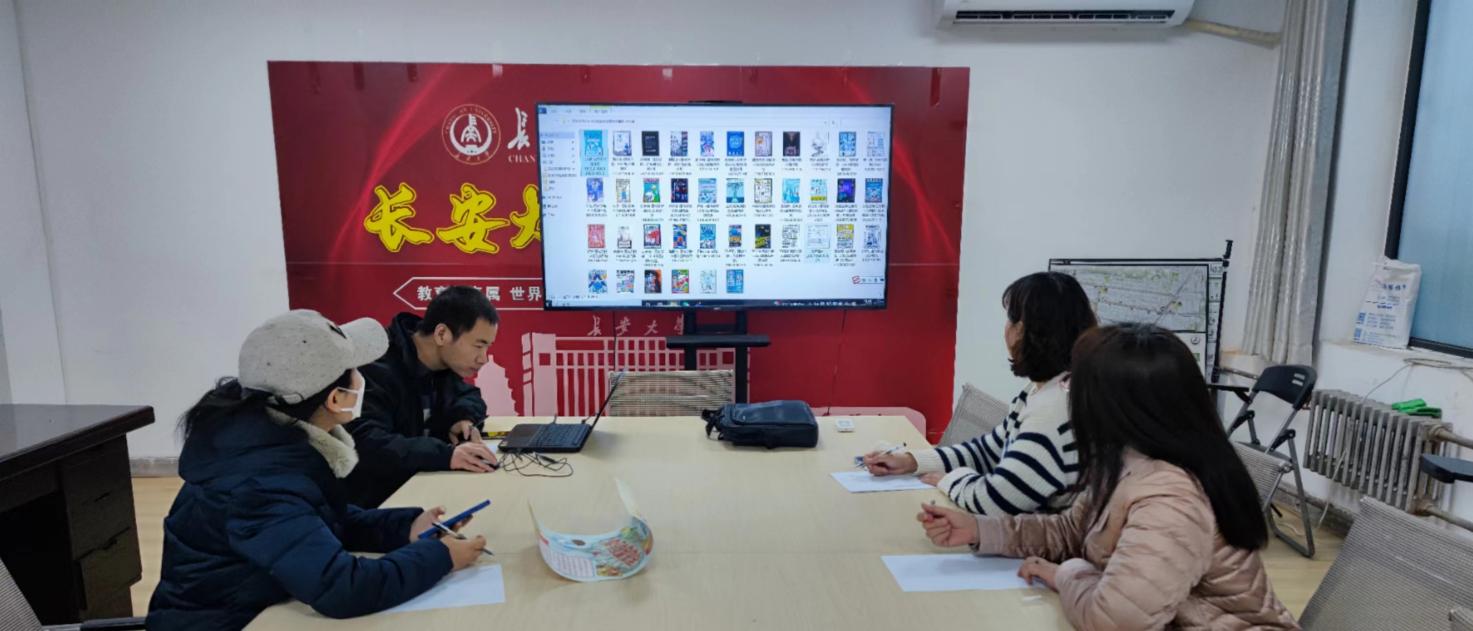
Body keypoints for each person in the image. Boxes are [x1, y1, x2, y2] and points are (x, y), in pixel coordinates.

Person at [917, 323, 1299, 630]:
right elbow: (1070, 530)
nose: (1068, 392)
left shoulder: (1172, 497)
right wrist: (981, 530)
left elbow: (1114, 622)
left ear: (1116, 405)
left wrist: (1068, 573)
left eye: (1075, 383)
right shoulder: (1127, 458)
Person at [148, 311, 487, 630]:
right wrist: (440, 557)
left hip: (262, 605)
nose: (364, 377)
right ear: (336, 398)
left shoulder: (267, 440)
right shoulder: (260, 483)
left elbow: (321, 522)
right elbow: (343, 588)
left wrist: (406, 527)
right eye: (356, 370)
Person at [864, 271, 1096, 515]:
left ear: (1023, 331)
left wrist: (949, 480)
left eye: (1010, 319)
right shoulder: (1044, 390)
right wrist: (911, 461)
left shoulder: (1053, 410)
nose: (1006, 328)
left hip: (1037, 537)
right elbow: (988, 452)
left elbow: (996, 502)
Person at [346, 286, 500, 507]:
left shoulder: (443, 365)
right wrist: (445, 455)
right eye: (478, 346)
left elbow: (469, 396)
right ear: (442, 334)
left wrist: (462, 418)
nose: (484, 358)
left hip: (424, 487)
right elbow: (367, 443)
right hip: (378, 504)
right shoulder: (377, 368)